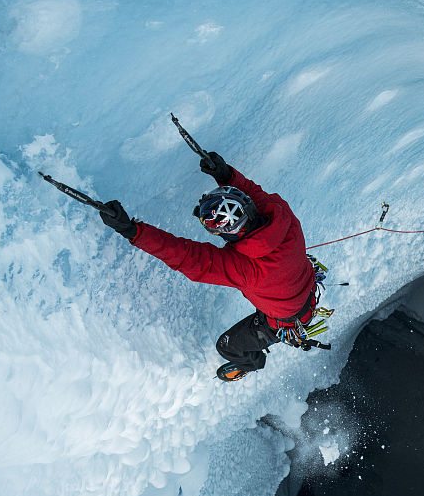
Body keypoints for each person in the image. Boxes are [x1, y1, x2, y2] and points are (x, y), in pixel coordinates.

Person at [99, 153, 319, 382]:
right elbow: (255, 195)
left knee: (227, 347)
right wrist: (226, 175)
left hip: (283, 320)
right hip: (304, 288)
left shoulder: (246, 271)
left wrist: (134, 232)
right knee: (268, 298)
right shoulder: (283, 215)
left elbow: (189, 257)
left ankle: (251, 364)